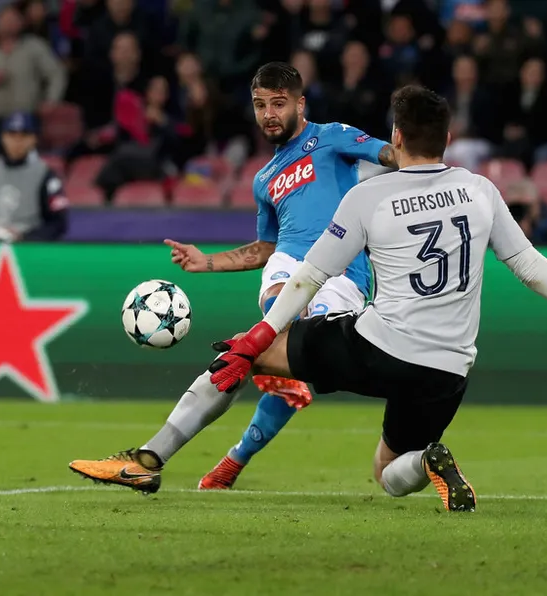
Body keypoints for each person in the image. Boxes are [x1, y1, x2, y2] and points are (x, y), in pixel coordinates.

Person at [202, 85, 547, 511]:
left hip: (379, 347)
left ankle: (161, 457)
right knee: (388, 474)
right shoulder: (479, 190)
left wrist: (259, 335)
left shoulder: (370, 196)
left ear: (397, 136)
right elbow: (530, 265)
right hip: (448, 367)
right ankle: (426, 459)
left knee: (248, 354)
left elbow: (310, 276)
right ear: (447, 138)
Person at [67, 62, 398, 493]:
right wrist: (205, 262)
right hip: (287, 265)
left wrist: (428, 168)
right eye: (260, 105)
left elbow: (394, 157)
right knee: (256, 339)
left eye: (279, 104)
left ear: (300, 104)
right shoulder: (264, 179)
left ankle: (227, 451)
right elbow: (264, 249)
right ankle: (150, 460)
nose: (269, 114)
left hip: (342, 276)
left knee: (261, 355)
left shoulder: (333, 136)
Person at [0, 112, 68, 242]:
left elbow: (58, 223)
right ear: (3, 137)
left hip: (29, 249)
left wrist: (26, 238)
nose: (17, 141)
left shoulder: (45, 173)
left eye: (24, 136)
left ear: (34, 139)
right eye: (12, 135)